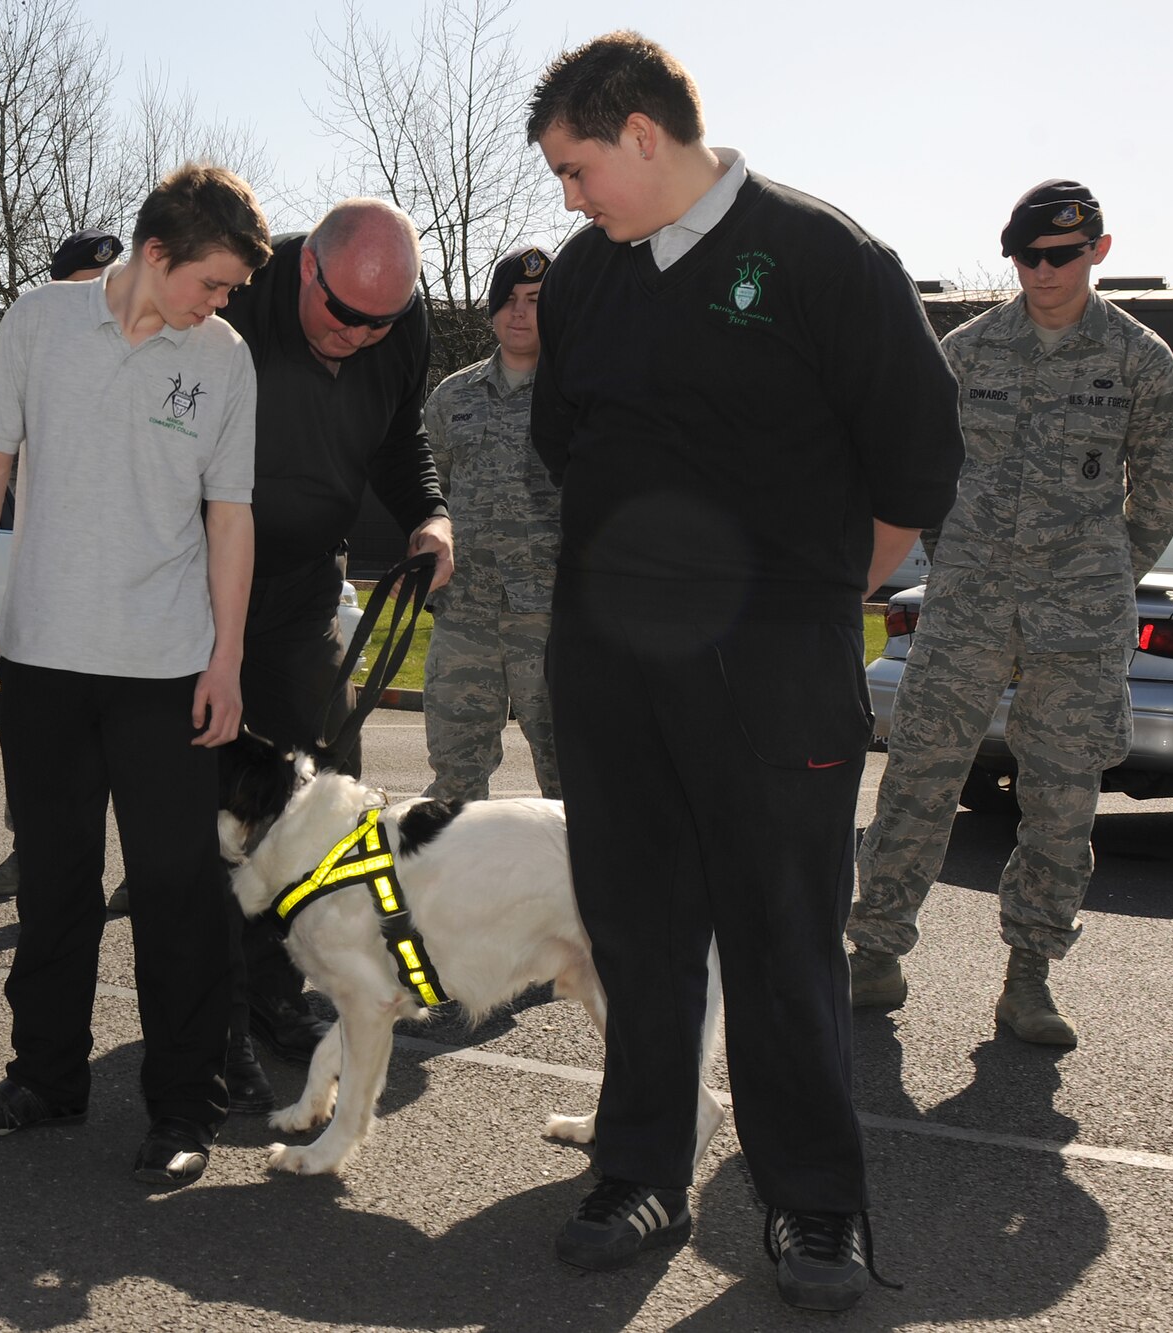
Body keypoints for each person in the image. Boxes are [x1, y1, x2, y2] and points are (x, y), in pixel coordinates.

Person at [523, 32, 964, 1311]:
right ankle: (640, 1170)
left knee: (780, 937)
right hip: (609, 659)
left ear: (643, 133)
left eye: (576, 167)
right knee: (638, 928)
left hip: (774, 661)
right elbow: (567, 447)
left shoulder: (823, 256)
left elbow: (914, 462)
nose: (568, 197)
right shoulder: (584, 283)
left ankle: (815, 1207)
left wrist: (828, 595)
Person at [0, 163, 267, 1187]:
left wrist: (226, 657)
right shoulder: (38, 322)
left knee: (175, 892)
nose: (219, 305)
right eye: (211, 283)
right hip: (41, 658)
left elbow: (229, 515)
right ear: (157, 254)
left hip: (164, 669)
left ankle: (181, 1107)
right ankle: (44, 1078)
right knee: (52, 881)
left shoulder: (221, 358)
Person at [849, 182, 1173, 1047]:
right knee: (919, 777)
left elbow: (1164, 481)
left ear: (1098, 253)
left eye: (1063, 255)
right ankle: (876, 951)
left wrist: (1105, 569)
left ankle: (1029, 979)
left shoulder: (1138, 357)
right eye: (1028, 256)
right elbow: (923, 468)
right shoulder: (965, 352)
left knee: (1062, 796)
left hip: (1077, 620)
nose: (1043, 271)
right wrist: (959, 548)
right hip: (966, 604)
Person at [179, 198, 454, 1114]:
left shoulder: (395, 324)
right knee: (198, 801)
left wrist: (427, 512)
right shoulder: (234, 302)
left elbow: (400, 434)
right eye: (346, 315)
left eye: (383, 322)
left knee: (316, 797)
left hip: (301, 591)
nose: (361, 335)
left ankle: (274, 991)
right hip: (193, 575)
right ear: (305, 270)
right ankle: (204, 1018)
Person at [0, 225, 129, 898]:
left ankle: (142, 864)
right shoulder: (37, 346)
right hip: (50, 587)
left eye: (104, 284)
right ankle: (28, 848)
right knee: (36, 747)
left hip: (131, 592)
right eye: (79, 288)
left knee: (130, 742)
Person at [421, 245, 563, 801]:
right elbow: (433, 491)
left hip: (550, 620)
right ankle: (456, 888)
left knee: (568, 779)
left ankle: (570, 889)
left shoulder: (576, 394)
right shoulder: (452, 395)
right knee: (455, 779)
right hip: (465, 616)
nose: (520, 313)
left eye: (534, 301)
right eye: (508, 300)